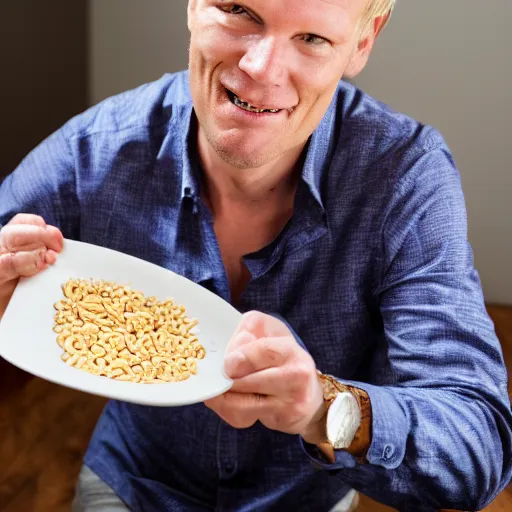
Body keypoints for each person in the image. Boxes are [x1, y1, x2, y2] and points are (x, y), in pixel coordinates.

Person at [0, 0, 511, 510]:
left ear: (362, 41)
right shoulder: (98, 149)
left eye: (312, 38)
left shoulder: (405, 178)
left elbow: (479, 446)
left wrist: (323, 407)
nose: (261, 69)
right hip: (135, 481)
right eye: (239, 10)